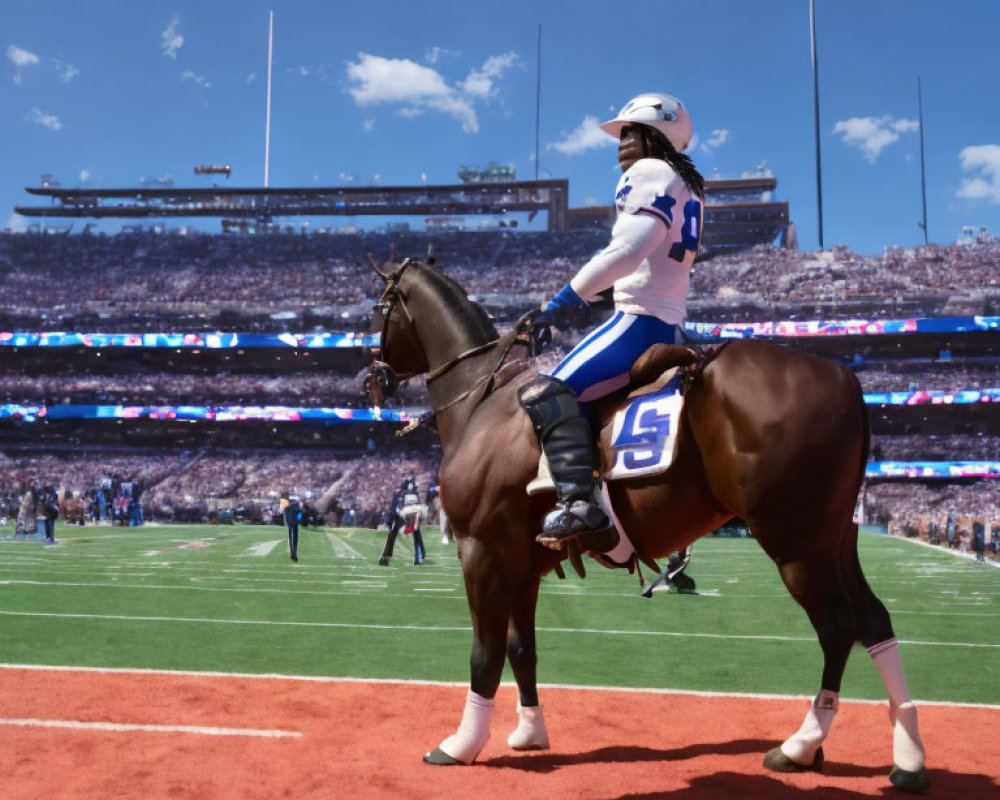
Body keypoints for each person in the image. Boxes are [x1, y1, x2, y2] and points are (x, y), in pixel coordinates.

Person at [518, 92, 705, 546]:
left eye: (630, 132)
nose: (621, 142)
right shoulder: (685, 182)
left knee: (548, 392)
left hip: (640, 323)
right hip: (668, 319)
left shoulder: (651, 171)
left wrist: (565, 299)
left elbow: (628, 251)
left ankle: (579, 503)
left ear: (656, 136)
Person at [284, 494, 301, 561]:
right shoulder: (296, 506)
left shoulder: (287, 506)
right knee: (294, 539)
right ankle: (293, 553)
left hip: (290, 524)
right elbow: (299, 514)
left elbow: (286, 516)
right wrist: (298, 521)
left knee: (291, 539)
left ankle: (292, 553)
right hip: (294, 524)